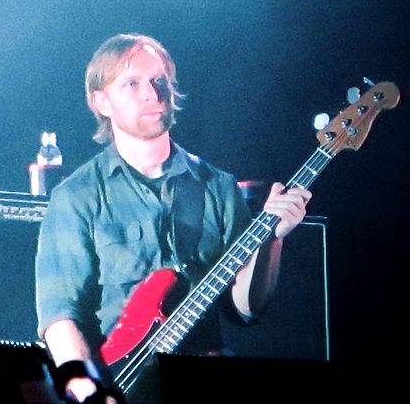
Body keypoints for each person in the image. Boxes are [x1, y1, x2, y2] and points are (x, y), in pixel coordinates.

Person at [34, 33, 311, 403]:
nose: (152, 93)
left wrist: (273, 238)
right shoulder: (77, 196)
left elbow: (244, 310)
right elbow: (60, 316)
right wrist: (91, 394)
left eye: (158, 80)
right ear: (102, 102)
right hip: (117, 383)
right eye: (132, 83)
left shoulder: (218, 186)